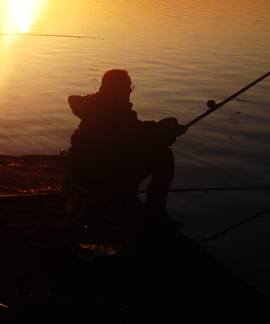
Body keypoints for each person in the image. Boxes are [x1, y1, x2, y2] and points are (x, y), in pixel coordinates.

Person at [67, 69, 187, 228]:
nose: (130, 91)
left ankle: (130, 203)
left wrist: (157, 125)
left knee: (131, 154)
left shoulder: (94, 106)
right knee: (163, 156)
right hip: (101, 177)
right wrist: (167, 134)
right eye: (128, 87)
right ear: (116, 89)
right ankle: (156, 215)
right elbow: (142, 141)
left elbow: (134, 130)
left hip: (81, 172)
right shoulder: (118, 113)